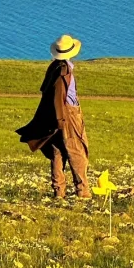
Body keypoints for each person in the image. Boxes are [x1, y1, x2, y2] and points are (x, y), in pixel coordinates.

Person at [15, 34, 90, 199]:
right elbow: (59, 96)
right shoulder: (64, 71)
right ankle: (82, 191)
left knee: (58, 151)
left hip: (56, 115)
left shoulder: (54, 67)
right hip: (67, 115)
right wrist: (61, 120)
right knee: (76, 151)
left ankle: (59, 191)